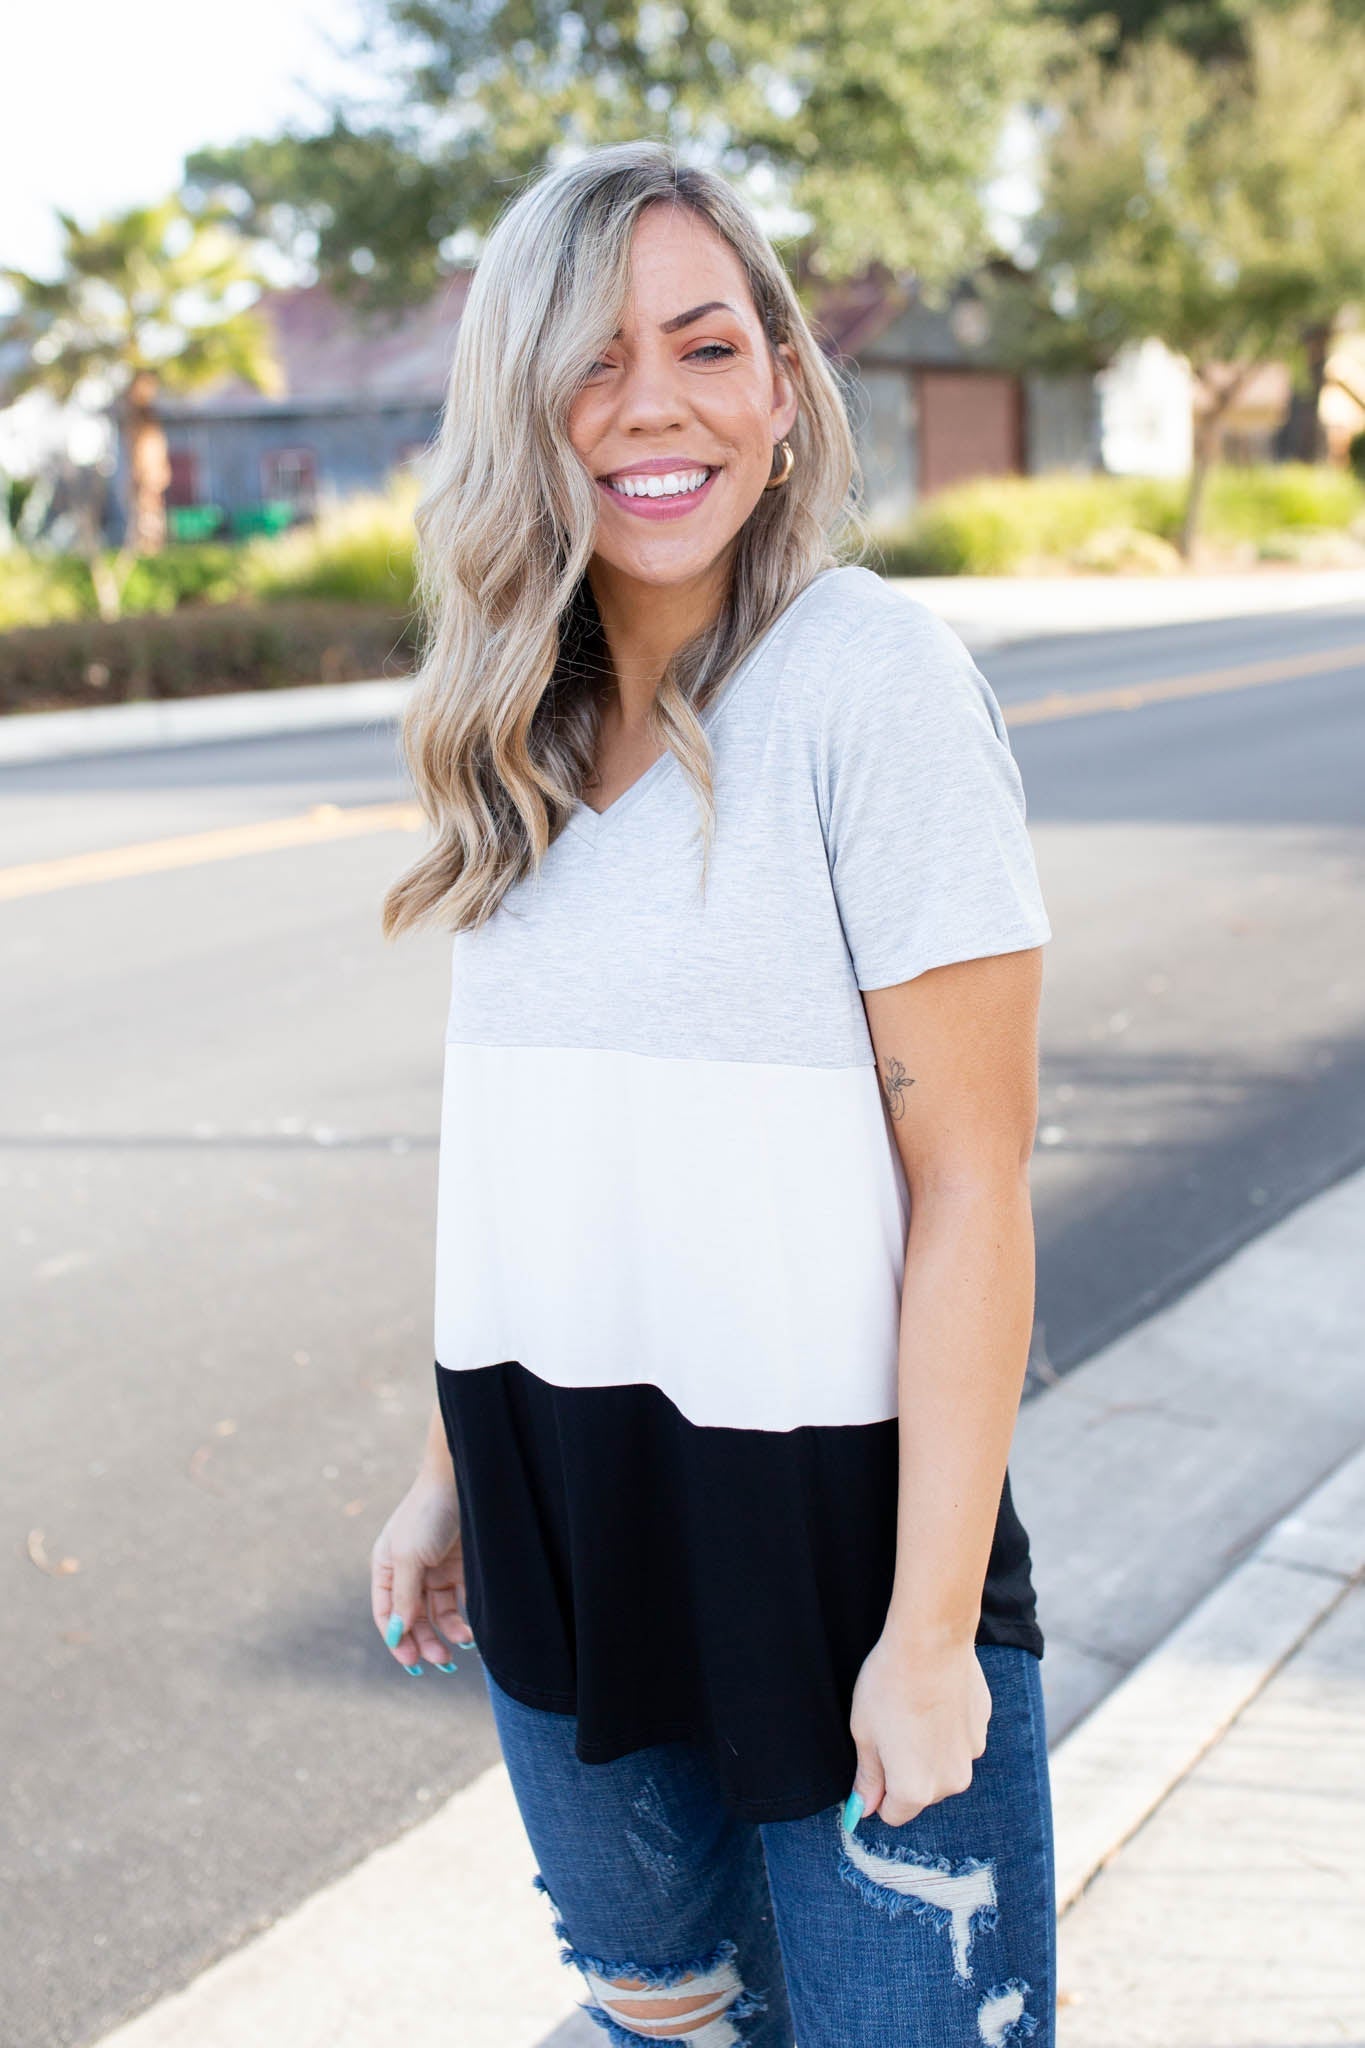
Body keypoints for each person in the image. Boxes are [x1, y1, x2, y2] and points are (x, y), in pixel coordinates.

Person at [370, 138, 1055, 2048]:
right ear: (518, 406)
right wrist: (442, 1477)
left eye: (702, 346)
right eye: (589, 363)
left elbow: (973, 1194)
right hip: (557, 1519)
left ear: (780, 385)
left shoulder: (870, 685)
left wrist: (926, 1638)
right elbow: (536, 1163)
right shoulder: (508, 719)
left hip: (830, 1545)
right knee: (657, 2014)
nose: (652, 407)